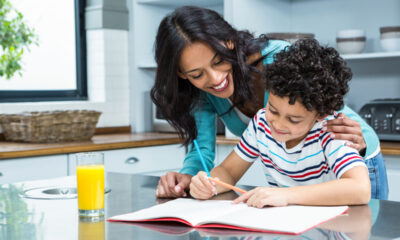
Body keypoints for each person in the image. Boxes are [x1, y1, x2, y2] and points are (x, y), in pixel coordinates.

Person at [151, 6, 388, 199]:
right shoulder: (263, 123)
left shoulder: (282, 66)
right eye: (196, 74)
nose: (214, 79)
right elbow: (208, 154)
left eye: (218, 61)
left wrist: (286, 195)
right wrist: (193, 180)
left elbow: (356, 187)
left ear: (229, 43)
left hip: (352, 152)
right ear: (182, 74)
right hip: (297, 177)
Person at [189, 39, 371, 207]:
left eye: (294, 119)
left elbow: (360, 189)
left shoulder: (330, 132)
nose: (278, 124)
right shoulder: (261, 123)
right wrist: (209, 183)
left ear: (321, 115)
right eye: (273, 110)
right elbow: (228, 171)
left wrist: (286, 195)